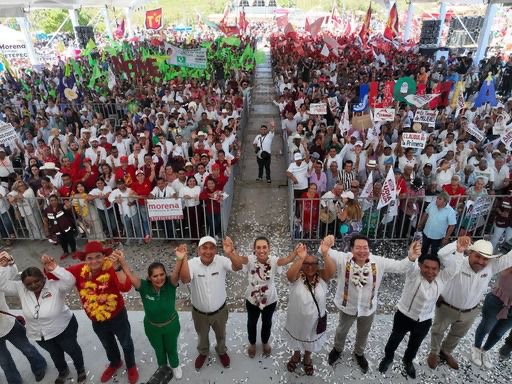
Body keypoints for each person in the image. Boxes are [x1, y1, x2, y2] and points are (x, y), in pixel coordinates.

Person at [324, 234, 423, 373]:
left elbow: (401, 267)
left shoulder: (378, 262)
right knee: (341, 330)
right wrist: (327, 241)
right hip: (347, 306)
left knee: (363, 333)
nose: (362, 251)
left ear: (369, 248)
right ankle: (338, 349)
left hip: (367, 308)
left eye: (365, 247)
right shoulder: (343, 258)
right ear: (351, 249)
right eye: (358, 247)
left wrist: (411, 257)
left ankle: (359, 353)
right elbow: (324, 250)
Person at [48, 241, 139, 384]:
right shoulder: (78, 270)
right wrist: (49, 266)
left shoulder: (111, 268)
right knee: (107, 344)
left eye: (98, 257)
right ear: (84, 259)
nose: (94, 261)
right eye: (90, 258)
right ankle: (115, 363)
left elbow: (126, 287)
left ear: (104, 257)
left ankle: (131, 365)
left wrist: (118, 268)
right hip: (96, 319)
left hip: (117, 315)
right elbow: (52, 276)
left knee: (126, 342)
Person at [378, 238, 469, 378]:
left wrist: (459, 251)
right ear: (420, 266)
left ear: (439, 270)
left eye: (434, 269)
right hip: (404, 316)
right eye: (426, 267)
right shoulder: (413, 274)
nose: (430, 271)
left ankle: (408, 361)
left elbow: (455, 268)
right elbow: (408, 266)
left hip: (424, 320)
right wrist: (411, 256)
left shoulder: (442, 278)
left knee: (414, 345)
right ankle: (388, 357)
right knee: (394, 339)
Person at [0, 252, 85, 384]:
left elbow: (70, 281)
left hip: (63, 329)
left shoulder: (55, 286)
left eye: (36, 281)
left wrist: (54, 268)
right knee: (55, 355)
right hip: (41, 335)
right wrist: (5, 267)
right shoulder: (20, 289)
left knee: (73, 350)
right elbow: (2, 285)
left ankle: (80, 370)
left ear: (43, 278)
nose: (33, 285)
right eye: (28, 284)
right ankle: (63, 371)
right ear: (23, 284)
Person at [428, 240, 512, 371]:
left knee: (457, 335)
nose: (480, 261)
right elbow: (442, 254)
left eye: (485, 258)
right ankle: (434, 352)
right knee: (438, 331)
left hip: (470, 311)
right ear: (470, 253)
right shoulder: (458, 261)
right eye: (477, 256)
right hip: (446, 307)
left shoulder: (492, 266)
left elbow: (509, 258)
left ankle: (445, 352)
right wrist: (458, 244)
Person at [116, 245, 189, 379]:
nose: (159, 278)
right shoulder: (143, 286)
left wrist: (179, 259)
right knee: (159, 350)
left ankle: (175, 365)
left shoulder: (170, 284)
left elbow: (176, 274)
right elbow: (130, 275)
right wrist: (122, 261)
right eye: (155, 276)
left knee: (171, 348)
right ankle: (162, 367)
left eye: (161, 274)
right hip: (152, 327)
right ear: (149, 278)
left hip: (171, 326)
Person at [223, 236, 296, 358]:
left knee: (267, 322)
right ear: (254, 249)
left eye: (264, 247)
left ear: (269, 248)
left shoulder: (273, 260)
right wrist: (231, 252)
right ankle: (252, 343)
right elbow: (240, 260)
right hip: (252, 300)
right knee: (252, 322)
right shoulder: (250, 260)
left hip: (270, 300)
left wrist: (295, 253)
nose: (261, 251)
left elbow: (286, 260)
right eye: (258, 247)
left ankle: (265, 342)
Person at [180, 236, 244, 370]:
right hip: (199, 313)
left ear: (216, 250)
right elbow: (185, 279)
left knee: (221, 334)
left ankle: (221, 351)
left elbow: (238, 267)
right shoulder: (192, 263)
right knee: (202, 335)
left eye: (211, 248)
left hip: (220, 311)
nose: (208, 252)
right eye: (204, 248)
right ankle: (203, 352)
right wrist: (183, 259)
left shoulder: (221, 261)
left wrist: (231, 253)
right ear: (198, 250)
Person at [284, 241, 336, 376]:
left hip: (315, 320)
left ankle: (307, 358)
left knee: (311, 338)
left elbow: (331, 272)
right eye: (306, 263)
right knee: (297, 338)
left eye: (314, 263)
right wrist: (301, 258)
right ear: (301, 266)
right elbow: (289, 276)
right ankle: (296, 356)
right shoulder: (297, 277)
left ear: (318, 265)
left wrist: (325, 253)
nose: (310, 266)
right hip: (297, 319)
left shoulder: (322, 277)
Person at [0, 253, 47, 384]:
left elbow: (11, 274)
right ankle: (14, 381)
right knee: (4, 362)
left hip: (8, 325)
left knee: (27, 349)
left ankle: (39, 366)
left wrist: (8, 263)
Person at [472, 267, 512, 368]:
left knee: (499, 333)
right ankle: (476, 348)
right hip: (498, 299)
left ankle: (485, 350)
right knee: (486, 327)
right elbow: (503, 271)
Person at [417, 192, 457, 257]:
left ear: (445, 201)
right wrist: (421, 223)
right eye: (437, 198)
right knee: (423, 249)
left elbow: (452, 225)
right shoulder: (432, 204)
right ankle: (422, 261)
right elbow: (426, 213)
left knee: (434, 252)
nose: (437, 200)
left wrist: (446, 238)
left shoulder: (450, 211)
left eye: (440, 199)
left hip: (438, 236)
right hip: (427, 232)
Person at [42, 195, 77, 260]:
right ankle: (65, 252)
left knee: (71, 240)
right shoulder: (46, 210)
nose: (53, 202)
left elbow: (67, 207)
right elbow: (45, 220)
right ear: (49, 202)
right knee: (62, 242)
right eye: (51, 200)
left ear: (57, 200)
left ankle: (74, 251)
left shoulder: (62, 206)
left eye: (55, 200)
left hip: (67, 228)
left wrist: (68, 204)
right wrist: (46, 229)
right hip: (57, 230)